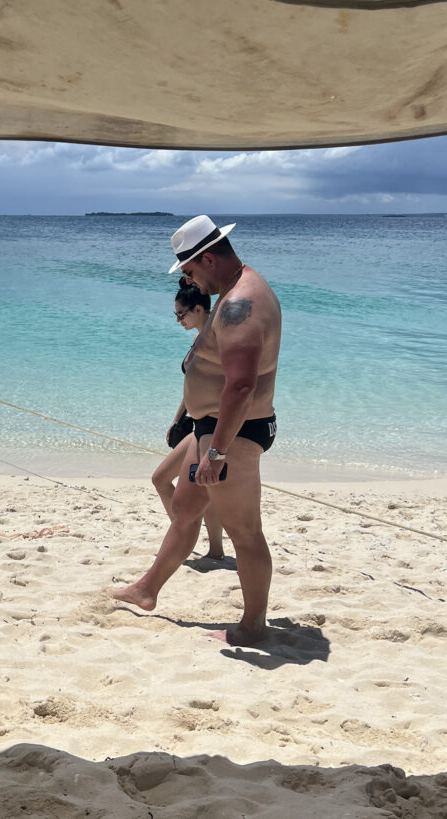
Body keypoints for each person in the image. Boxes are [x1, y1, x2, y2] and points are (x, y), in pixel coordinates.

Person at [113, 215, 281, 646]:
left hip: (235, 434)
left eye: (189, 270)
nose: (189, 280)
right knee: (186, 509)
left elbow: (241, 385)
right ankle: (147, 589)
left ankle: (253, 627)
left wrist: (217, 452)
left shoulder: (240, 304)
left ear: (208, 258)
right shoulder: (232, 293)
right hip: (211, 428)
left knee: (244, 532)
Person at [153, 277, 224, 560]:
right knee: (161, 479)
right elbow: (193, 385)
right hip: (197, 425)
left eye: (181, 314)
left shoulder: (217, 339)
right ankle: (195, 541)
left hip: (214, 425)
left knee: (205, 490)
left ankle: (201, 544)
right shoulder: (198, 339)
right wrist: (177, 419)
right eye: (175, 315)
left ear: (198, 309)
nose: (178, 320)